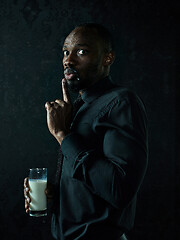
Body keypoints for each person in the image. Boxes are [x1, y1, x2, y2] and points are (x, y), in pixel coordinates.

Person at [24, 23, 148, 240]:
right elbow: (91, 180)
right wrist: (56, 192)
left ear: (107, 58)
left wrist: (62, 135)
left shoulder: (121, 102)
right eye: (65, 52)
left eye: (82, 51)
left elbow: (118, 189)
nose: (68, 60)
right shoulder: (81, 106)